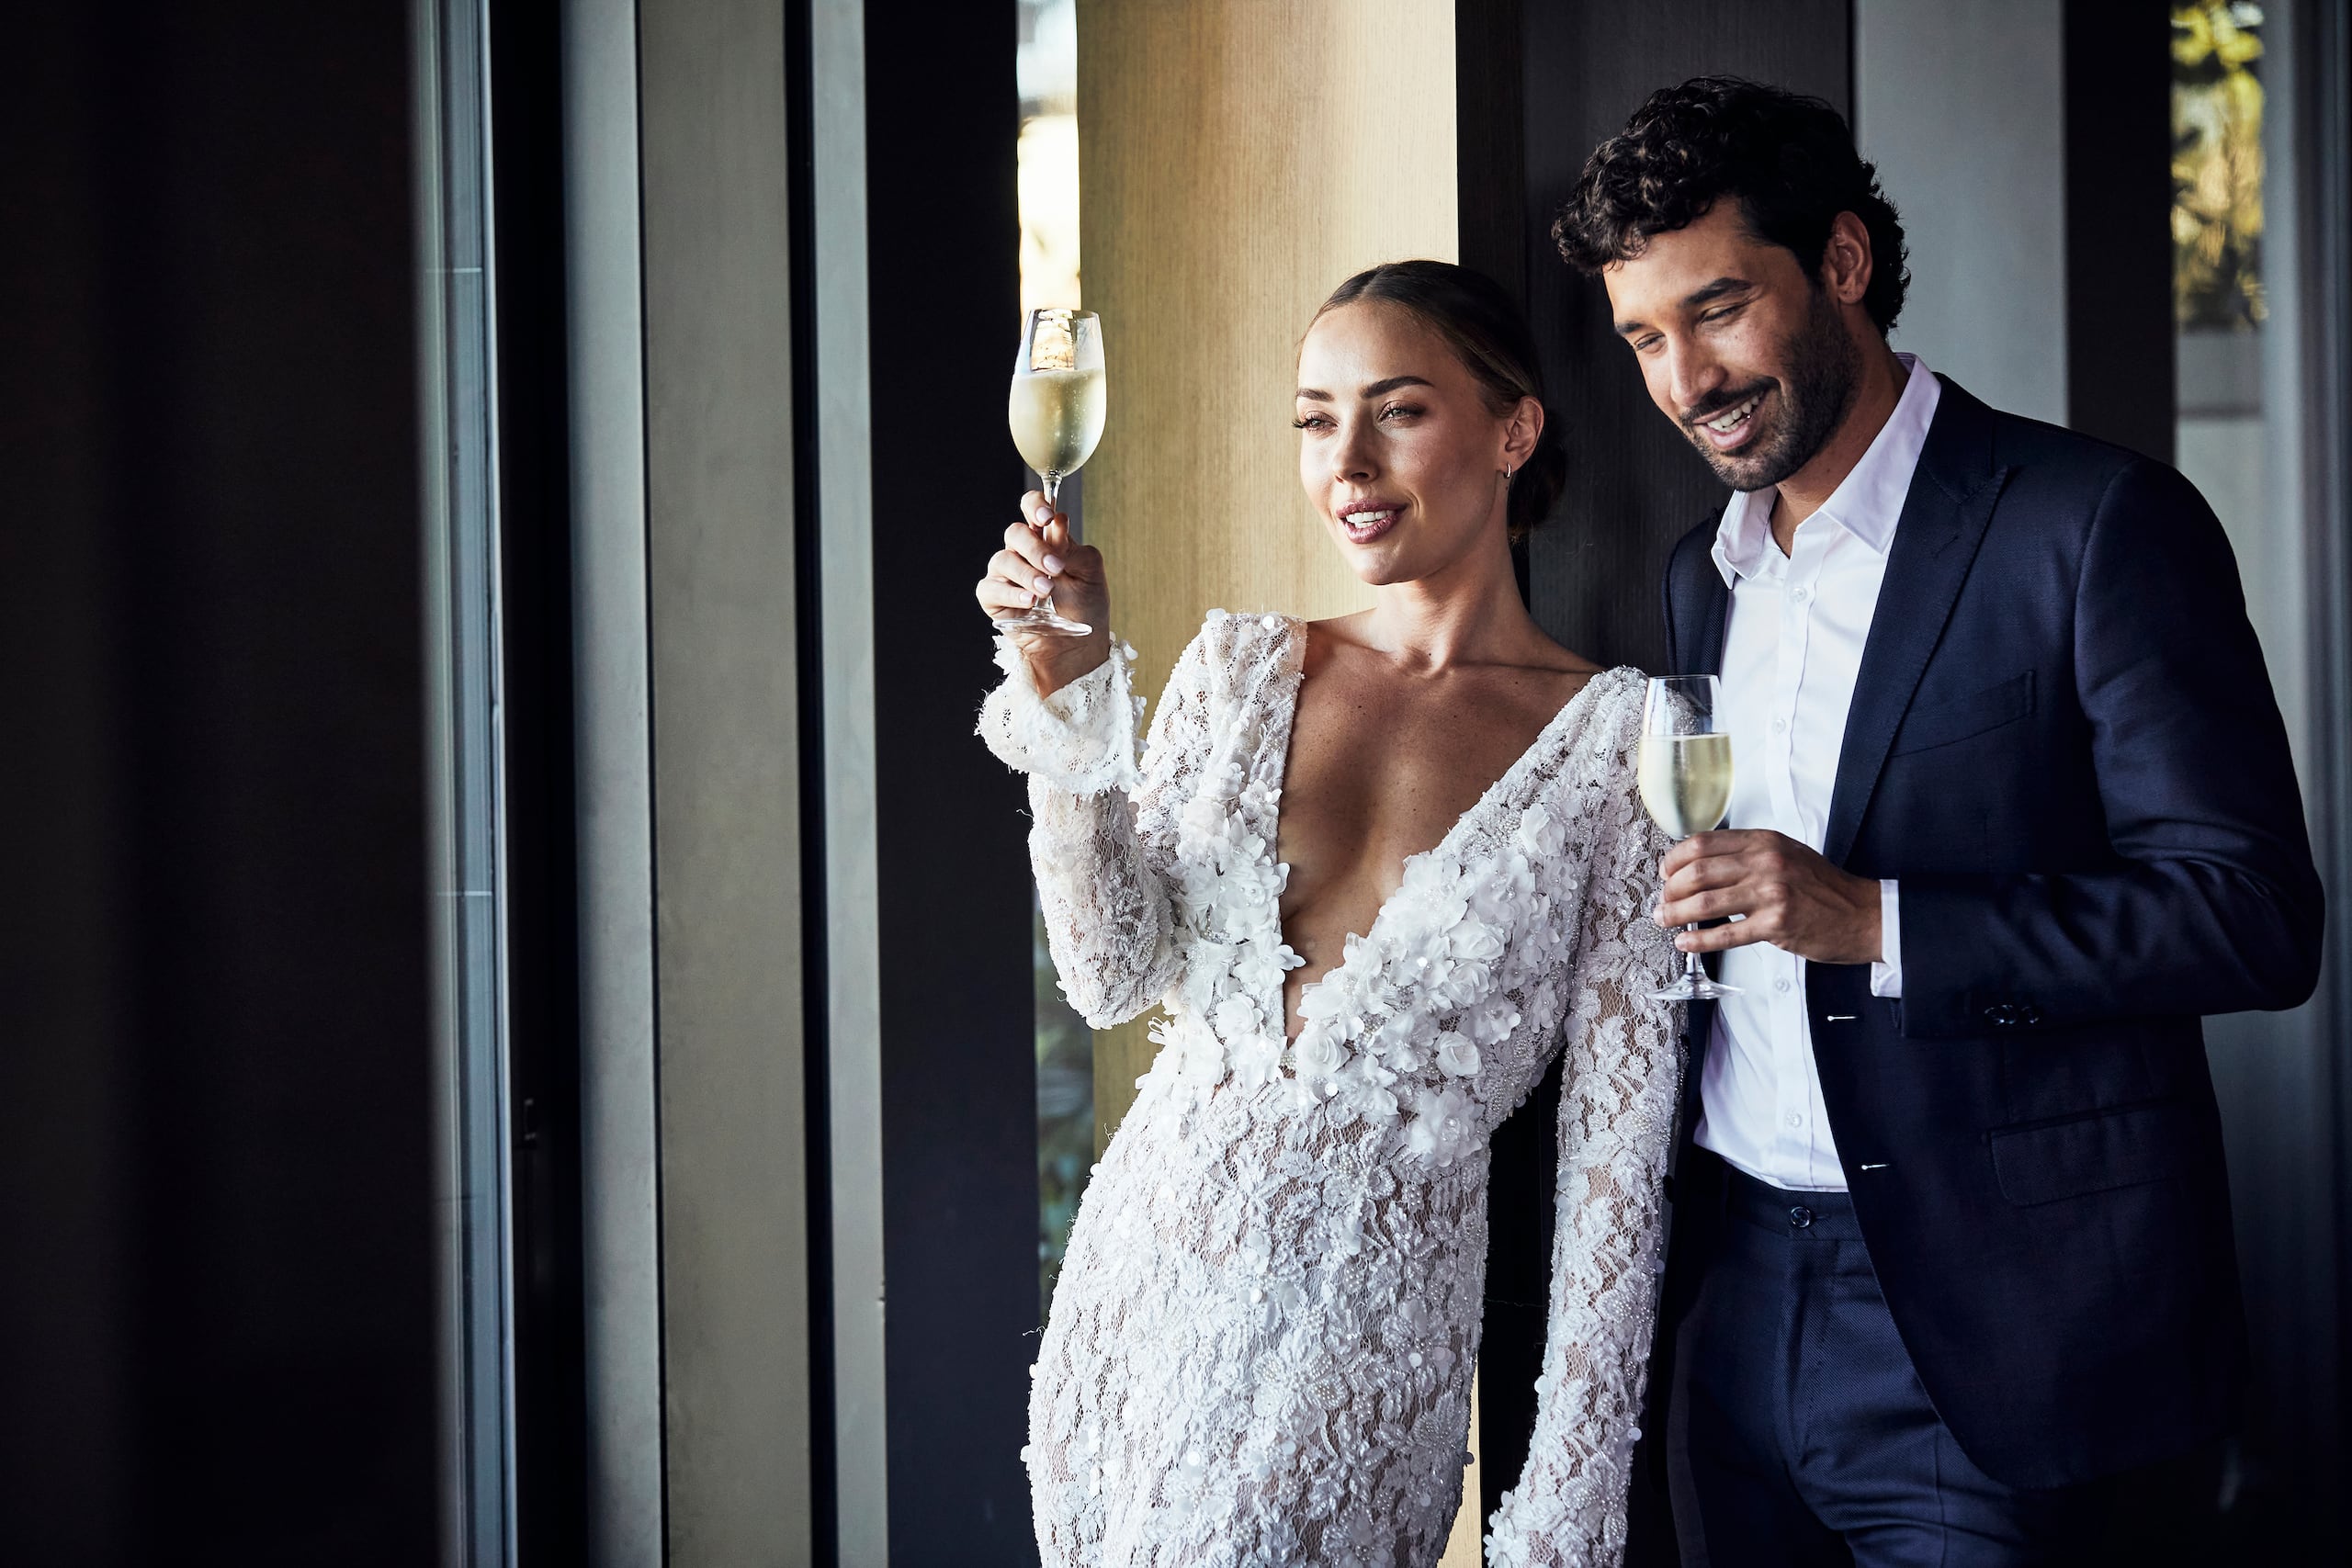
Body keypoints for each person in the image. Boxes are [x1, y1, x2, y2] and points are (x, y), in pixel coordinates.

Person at [1550, 78, 2325, 1567]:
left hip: (2003, 1332)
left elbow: (2252, 914)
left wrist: (1878, 921)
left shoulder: (2092, 523)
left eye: (1718, 310)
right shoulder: (1701, 574)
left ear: (1842, 262)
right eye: (1644, 338)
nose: (1685, 379)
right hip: (1733, 1306)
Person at [976, 260, 1682, 1567]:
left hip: (1356, 1366)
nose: (1347, 462)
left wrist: (1566, 1515)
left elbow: (1617, 1170)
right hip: (1137, 1304)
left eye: (1398, 411)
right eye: (1315, 419)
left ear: (1514, 430)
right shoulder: (1241, 669)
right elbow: (1111, 972)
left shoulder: (1616, 748)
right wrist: (1068, 697)